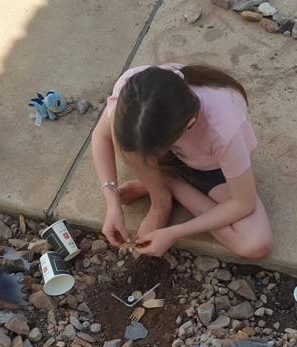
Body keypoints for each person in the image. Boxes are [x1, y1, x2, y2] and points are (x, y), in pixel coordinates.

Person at [91, 63, 273, 259]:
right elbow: (101, 137)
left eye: (155, 153)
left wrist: (174, 232)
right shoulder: (135, 89)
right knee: (124, 138)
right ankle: (160, 200)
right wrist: (112, 203)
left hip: (208, 167)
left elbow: (243, 204)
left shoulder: (223, 129)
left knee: (255, 244)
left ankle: (171, 183)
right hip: (163, 144)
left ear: (190, 125)